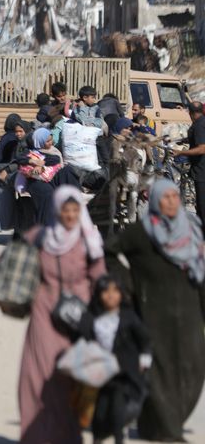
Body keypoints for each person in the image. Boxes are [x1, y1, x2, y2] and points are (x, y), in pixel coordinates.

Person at [104, 179, 205, 442]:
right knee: (159, 371)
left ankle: (154, 425)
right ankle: (170, 432)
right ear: (155, 200)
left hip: (190, 311)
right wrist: (126, 283)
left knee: (194, 370)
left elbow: (201, 272)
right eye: (165, 197)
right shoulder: (142, 232)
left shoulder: (192, 230)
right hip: (152, 310)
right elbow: (108, 252)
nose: (171, 202)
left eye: (175, 196)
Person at [19, 186, 106, 443]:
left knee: (72, 381)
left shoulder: (89, 242)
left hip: (78, 320)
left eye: (74, 210)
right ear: (57, 210)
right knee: (37, 376)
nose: (69, 216)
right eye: (65, 210)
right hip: (44, 315)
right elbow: (15, 264)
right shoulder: (40, 237)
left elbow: (101, 280)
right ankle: (35, 436)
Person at [84, 275, 152, 444]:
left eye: (115, 291)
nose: (110, 295)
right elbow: (83, 335)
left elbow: (144, 339)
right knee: (99, 413)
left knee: (117, 411)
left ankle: (119, 439)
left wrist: (144, 359)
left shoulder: (128, 317)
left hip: (123, 373)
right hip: (101, 373)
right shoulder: (93, 317)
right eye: (106, 291)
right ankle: (97, 438)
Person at [17, 128, 80, 225]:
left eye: (51, 140)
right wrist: (32, 161)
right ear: (39, 142)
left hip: (52, 177)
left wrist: (42, 163)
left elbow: (55, 160)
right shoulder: (30, 152)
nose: (51, 142)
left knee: (67, 170)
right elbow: (20, 159)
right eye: (47, 141)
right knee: (48, 194)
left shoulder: (53, 151)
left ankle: (76, 196)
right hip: (36, 181)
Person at [176, 101, 205, 227]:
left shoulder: (199, 125)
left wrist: (181, 153)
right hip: (201, 169)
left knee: (202, 204)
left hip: (202, 170)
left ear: (191, 113)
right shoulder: (202, 122)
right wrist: (186, 140)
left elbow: (202, 148)